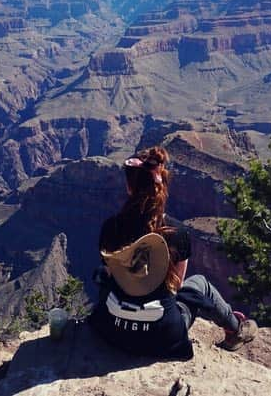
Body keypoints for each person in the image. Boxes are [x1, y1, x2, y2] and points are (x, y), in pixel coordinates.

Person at [88, 146, 257, 358]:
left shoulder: (110, 228)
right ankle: (236, 330)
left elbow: (112, 273)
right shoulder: (178, 234)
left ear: (129, 187)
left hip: (113, 329)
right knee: (200, 284)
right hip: (162, 336)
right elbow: (175, 287)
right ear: (162, 186)